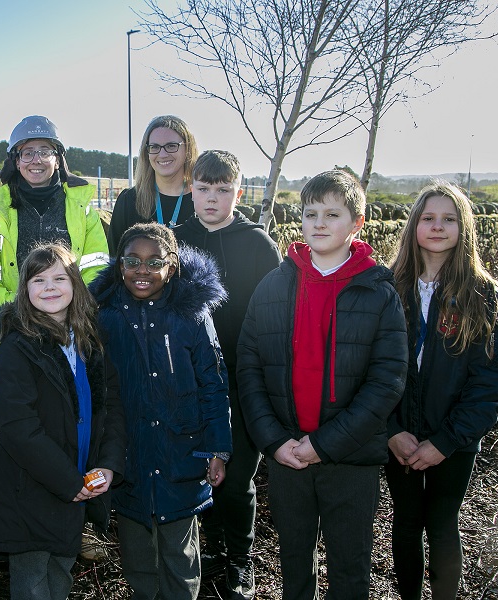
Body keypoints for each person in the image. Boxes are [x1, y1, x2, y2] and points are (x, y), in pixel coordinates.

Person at [236, 169, 408, 600]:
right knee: (295, 565)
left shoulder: (378, 292)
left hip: (351, 460)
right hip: (287, 455)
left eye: (332, 214)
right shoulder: (274, 285)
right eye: (311, 213)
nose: (319, 223)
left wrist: (325, 444)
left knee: (349, 571)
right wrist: (274, 442)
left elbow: (387, 381)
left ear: (357, 223)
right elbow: (249, 368)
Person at [89, 222, 232, 600]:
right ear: (120, 264)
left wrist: (217, 449)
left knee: (180, 559)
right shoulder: (105, 316)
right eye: (133, 260)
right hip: (128, 456)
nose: (142, 270)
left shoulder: (192, 315)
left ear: (173, 266)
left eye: (155, 262)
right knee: (137, 558)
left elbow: (214, 384)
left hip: (181, 456)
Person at [385, 181, 498, 600]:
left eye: (449, 219)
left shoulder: (484, 295)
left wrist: (445, 441)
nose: (438, 226)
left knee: (442, 523)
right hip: (399, 435)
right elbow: (368, 368)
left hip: (454, 440)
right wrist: (390, 429)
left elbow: (491, 384)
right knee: (404, 523)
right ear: (413, 226)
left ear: (464, 227)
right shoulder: (389, 288)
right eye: (428, 218)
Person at [0, 243, 125, 600]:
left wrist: (107, 465)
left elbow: (110, 406)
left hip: (77, 483)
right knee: (33, 583)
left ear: (75, 284)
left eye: (60, 278)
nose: (49, 287)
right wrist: (67, 480)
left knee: (61, 573)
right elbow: (16, 425)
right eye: (38, 280)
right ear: (25, 290)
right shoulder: (18, 347)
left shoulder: (89, 341)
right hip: (31, 489)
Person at [173, 150, 281, 599]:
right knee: (200, 470)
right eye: (203, 188)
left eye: (222, 190)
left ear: (239, 193)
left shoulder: (258, 245)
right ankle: (211, 550)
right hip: (188, 380)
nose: (212, 198)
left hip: (243, 377)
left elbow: (275, 318)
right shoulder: (173, 240)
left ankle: (240, 559)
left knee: (236, 479)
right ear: (190, 189)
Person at [0, 115, 109, 323]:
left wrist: (67, 312)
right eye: (28, 153)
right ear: (17, 161)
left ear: (57, 160)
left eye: (45, 152)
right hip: (13, 328)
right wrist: (21, 313)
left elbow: (97, 270)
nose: (36, 160)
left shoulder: (83, 211)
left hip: (71, 327)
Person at [106, 115, 198, 253]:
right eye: (154, 147)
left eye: (171, 146)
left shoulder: (202, 200)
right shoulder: (129, 200)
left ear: (188, 149)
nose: (162, 154)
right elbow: (114, 260)